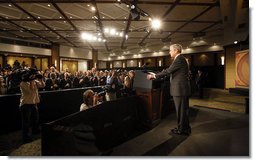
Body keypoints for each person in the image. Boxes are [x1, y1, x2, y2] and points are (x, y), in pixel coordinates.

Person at [147, 44, 191, 135]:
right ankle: (184, 128)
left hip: (180, 90)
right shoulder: (181, 59)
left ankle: (182, 129)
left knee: (181, 111)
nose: (169, 52)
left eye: (170, 50)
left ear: (176, 50)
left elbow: (168, 71)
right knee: (183, 110)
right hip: (181, 89)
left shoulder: (179, 59)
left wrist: (154, 75)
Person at [19, 69, 45, 143]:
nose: (34, 76)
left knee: (35, 119)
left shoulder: (35, 81)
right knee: (26, 122)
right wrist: (31, 81)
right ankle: (25, 137)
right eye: (33, 75)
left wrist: (41, 79)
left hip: (33, 103)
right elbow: (30, 91)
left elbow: (43, 85)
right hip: (25, 104)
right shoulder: (23, 83)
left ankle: (35, 131)